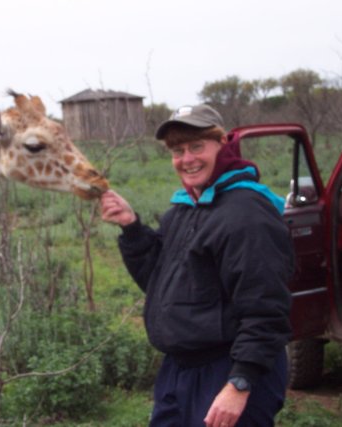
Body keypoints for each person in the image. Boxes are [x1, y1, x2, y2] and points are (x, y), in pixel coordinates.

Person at [100, 104, 293, 427]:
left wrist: (240, 382)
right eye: (178, 151)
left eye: (197, 146)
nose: (187, 159)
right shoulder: (185, 210)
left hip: (227, 367)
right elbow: (162, 284)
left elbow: (266, 307)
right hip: (180, 369)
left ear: (222, 144)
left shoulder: (247, 214)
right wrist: (131, 227)